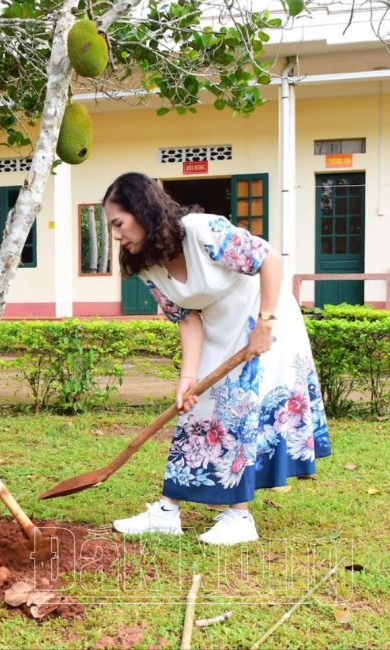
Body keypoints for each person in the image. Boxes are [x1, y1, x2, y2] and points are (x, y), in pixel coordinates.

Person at [104, 172, 331, 545]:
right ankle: (166, 512)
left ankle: (239, 518)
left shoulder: (201, 231)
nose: (116, 234)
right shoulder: (146, 263)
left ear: (142, 211)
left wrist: (265, 323)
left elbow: (269, 260)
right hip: (218, 331)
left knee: (236, 407)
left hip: (265, 321)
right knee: (197, 410)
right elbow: (187, 319)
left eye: (118, 223)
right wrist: (187, 378)